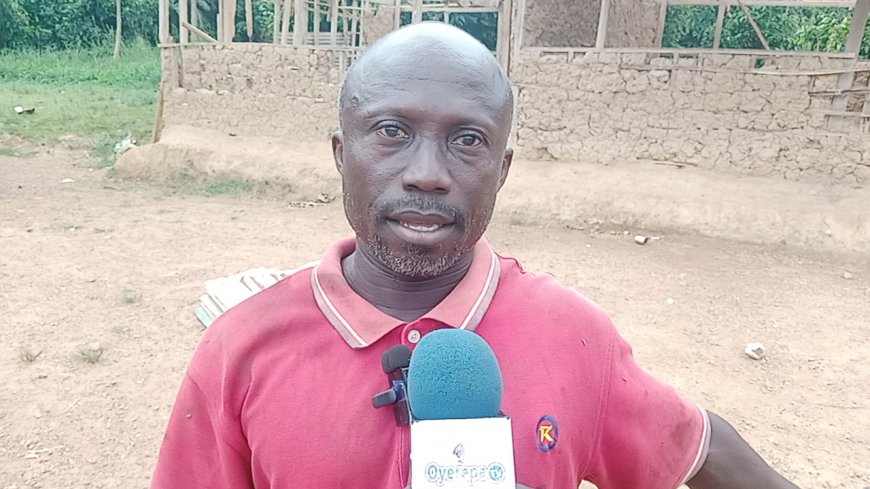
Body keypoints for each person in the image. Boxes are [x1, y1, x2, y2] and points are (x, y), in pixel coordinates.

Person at [150, 22, 799, 489]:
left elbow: (695, 444)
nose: (428, 174)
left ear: (502, 169)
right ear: (342, 154)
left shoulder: (573, 334)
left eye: (466, 140)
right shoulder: (239, 350)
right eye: (392, 131)